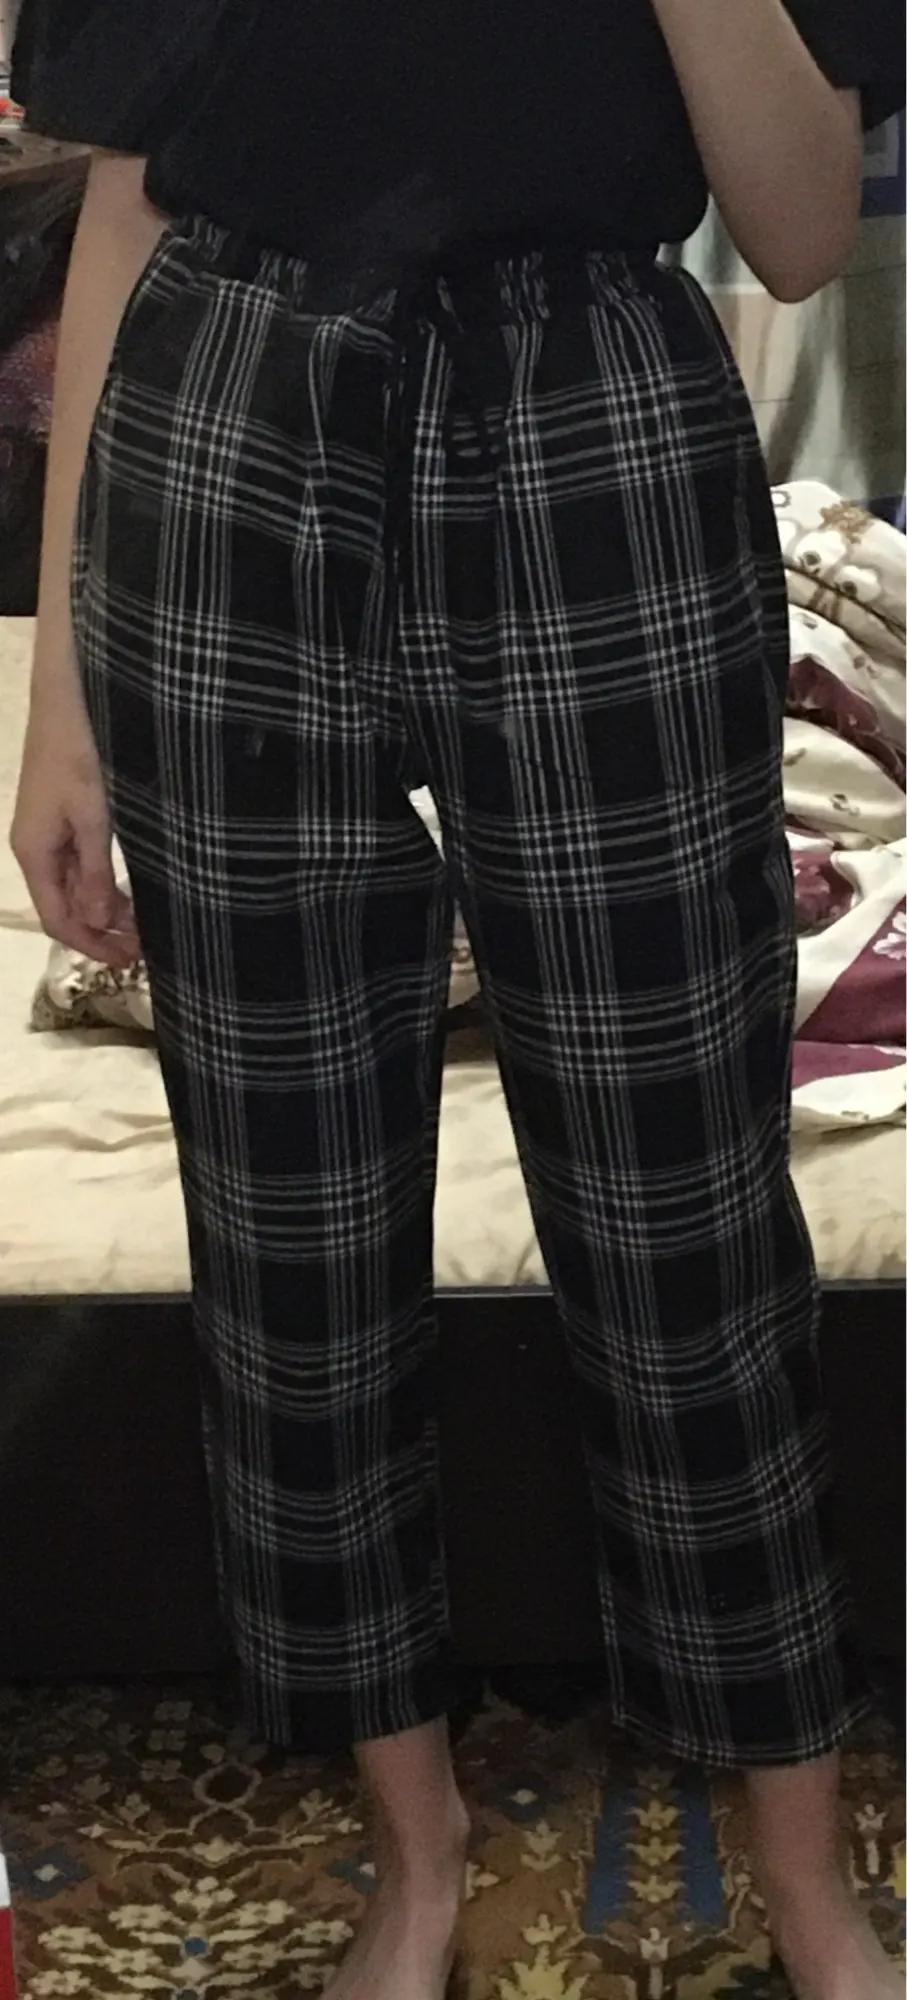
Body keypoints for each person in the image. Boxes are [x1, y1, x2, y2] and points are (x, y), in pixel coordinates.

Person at [9, 2, 905, 1995]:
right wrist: (61, 693)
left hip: (599, 417)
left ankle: (807, 1876)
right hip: (226, 424)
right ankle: (412, 1859)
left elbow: (795, 231)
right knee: (290, 1217)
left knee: (686, 1215)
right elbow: (128, 200)